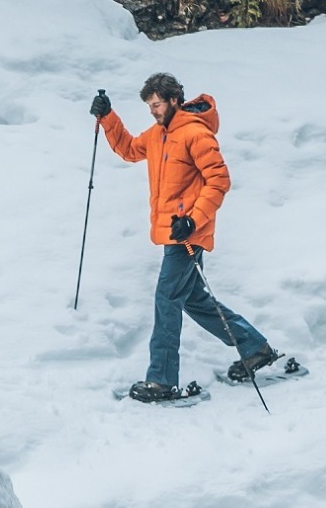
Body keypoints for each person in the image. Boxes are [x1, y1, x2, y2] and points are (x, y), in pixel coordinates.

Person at [93, 73, 282, 402]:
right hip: (173, 233)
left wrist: (193, 219)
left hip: (187, 235)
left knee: (167, 300)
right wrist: (108, 117)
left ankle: (162, 381)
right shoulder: (157, 135)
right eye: (149, 106)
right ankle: (255, 348)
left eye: (157, 104)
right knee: (193, 300)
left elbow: (219, 180)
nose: (152, 111)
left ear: (174, 100)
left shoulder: (195, 133)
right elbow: (128, 149)